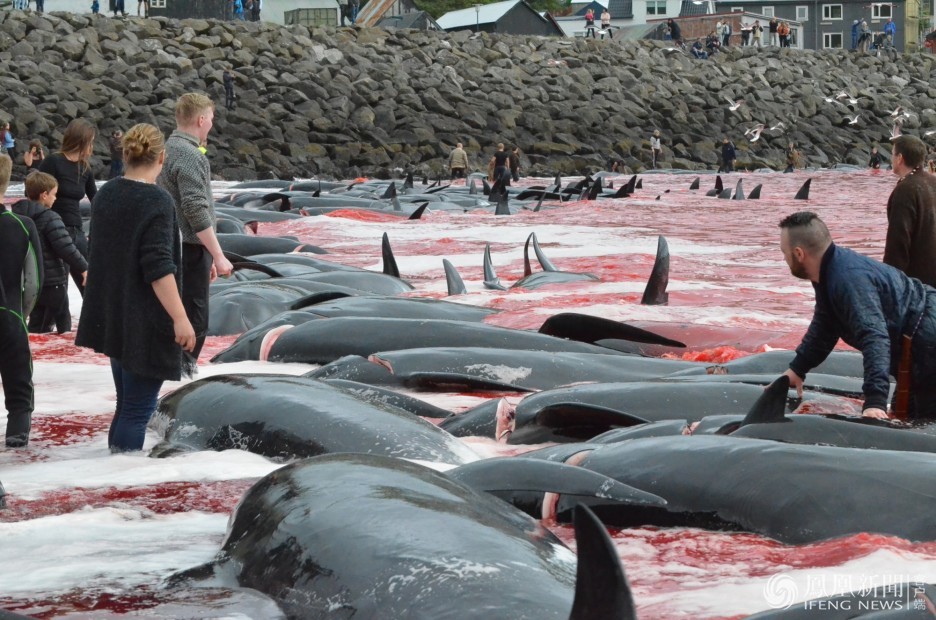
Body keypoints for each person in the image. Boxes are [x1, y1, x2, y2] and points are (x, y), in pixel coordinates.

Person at [76, 124, 196, 454]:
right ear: (162, 157)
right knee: (136, 411)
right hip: (145, 320)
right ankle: (122, 485)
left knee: (125, 406)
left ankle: (113, 478)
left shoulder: (107, 194)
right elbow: (158, 268)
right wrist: (181, 318)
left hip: (115, 317)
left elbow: (99, 253)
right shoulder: (157, 200)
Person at [778, 211, 936, 420]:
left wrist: (875, 402)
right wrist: (797, 369)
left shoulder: (847, 279)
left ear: (799, 254)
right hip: (916, 340)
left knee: (923, 428)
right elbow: (825, 326)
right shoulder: (828, 272)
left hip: (927, 339)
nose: (784, 258)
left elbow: (874, 337)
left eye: (784, 252)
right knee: (902, 417)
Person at [157, 93, 233, 361]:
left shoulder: (166, 149)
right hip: (188, 250)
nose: (212, 124)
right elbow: (194, 209)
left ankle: (172, 376)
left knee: (175, 317)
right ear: (201, 120)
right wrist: (219, 256)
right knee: (195, 321)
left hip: (173, 246)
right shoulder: (190, 155)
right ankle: (183, 380)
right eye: (211, 119)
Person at [11, 171, 87, 335]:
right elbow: (66, 248)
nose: (55, 198)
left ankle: (35, 357)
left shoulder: (16, 216)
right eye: (54, 194)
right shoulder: (51, 218)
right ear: (44, 195)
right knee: (64, 328)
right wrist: (84, 268)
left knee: (36, 327)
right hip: (54, 283)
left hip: (30, 282)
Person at [0, 155, 42, 448]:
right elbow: (34, 282)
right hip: (9, 312)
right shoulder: (21, 225)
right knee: (18, 386)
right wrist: (22, 314)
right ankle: (17, 433)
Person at [38, 118, 97, 296]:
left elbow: (97, 199)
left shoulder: (84, 168)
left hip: (76, 232)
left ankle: (93, 323)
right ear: (82, 140)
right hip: (53, 231)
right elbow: (36, 192)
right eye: (91, 141)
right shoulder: (53, 161)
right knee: (57, 291)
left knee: (89, 287)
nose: (91, 146)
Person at [883, 135, 936, 288]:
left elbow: (898, 241)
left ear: (900, 158)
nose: (891, 158)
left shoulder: (905, 190)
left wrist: (890, 282)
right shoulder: (932, 181)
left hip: (919, 283)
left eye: (892, 154)